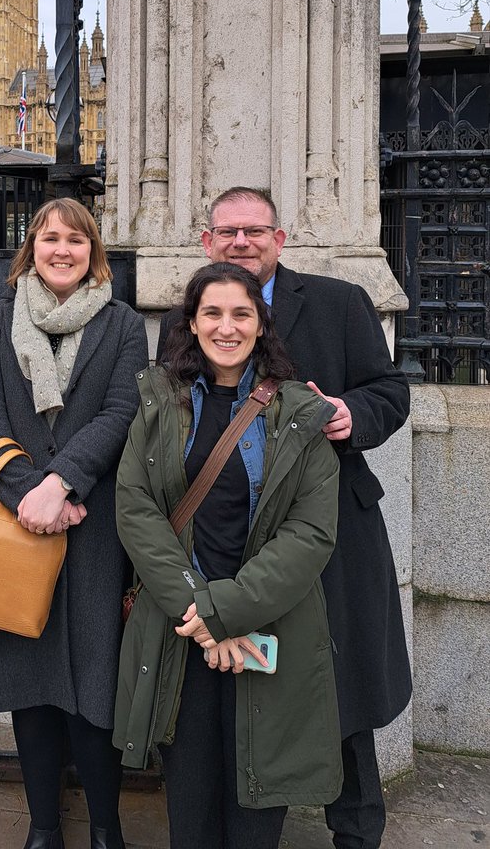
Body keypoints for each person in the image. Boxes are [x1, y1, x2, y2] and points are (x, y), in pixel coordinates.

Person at [157, 187, 411, 849]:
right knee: (244, 682)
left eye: (255, 230)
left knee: (338, 688)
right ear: (206, 241)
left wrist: (355, 416)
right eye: (228, 231)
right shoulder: (185, 319)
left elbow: (390, 391)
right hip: (226, 543)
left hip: (328, 539)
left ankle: (356, 830)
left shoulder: (337, 303)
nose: (242, 241)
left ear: (281, 239)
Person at [116, 261, 342, 849]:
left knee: (257, 802)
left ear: (261, 325)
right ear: (190, 323)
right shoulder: (159, 401)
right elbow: (136, 509)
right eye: (211, 313)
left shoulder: (299, 412)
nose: (226, 327)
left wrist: (227, 612)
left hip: (267, 630)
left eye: (241, 313)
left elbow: (310, 534)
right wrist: (200, 613)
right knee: (189, 801)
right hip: (182, 631)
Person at [0, 198, 148, 849]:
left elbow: (123, 410)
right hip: (17, 525)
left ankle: (105, 825)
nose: (62, 249)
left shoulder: (123, 324)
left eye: (75, 239)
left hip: (92, 523)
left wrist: (61, 481)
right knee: (31, 686)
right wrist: (29, 495)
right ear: (31, 248)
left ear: (92, 250)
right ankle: (43, 825)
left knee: (95, 686)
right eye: (50, 238)